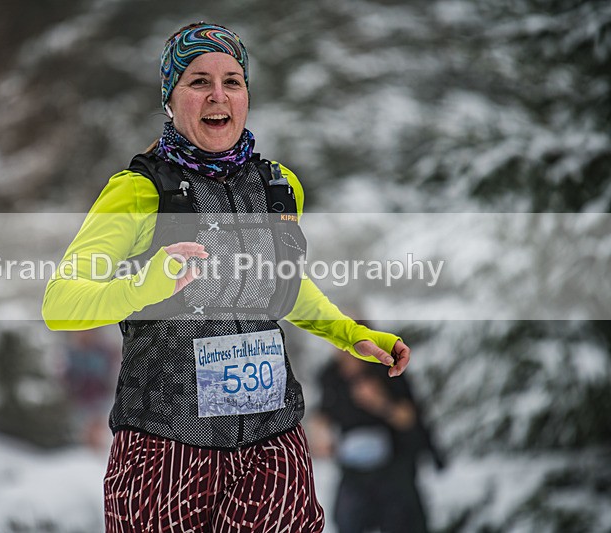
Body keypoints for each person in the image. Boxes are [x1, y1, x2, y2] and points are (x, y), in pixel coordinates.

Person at [42, 22, 411, 533]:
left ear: (246, 95)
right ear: (170, 99)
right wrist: (145, 288)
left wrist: (352, 335)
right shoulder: (138, 192)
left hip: (271, 446)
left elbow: (280, 286)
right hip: (165, 449)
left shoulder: (278, 187)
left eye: (232, 81)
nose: (218, 95)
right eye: (198, 81)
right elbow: (60, 302)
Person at [313, 347, 446, 533]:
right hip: (354, 473)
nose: (347, 357)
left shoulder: (387, 369)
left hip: (395, 468)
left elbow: (411, 419)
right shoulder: (331, 377)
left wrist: (380, 403)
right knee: (346, 519)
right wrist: (320, 437)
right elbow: (322, 418)